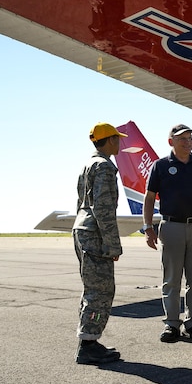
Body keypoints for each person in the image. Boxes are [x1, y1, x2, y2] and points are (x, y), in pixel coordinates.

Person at [142, 124, 192, 343]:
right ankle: (171, 324)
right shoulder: (160, 166)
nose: (188, 142)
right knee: (171, 280)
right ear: (171, 142)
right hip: (171, 227)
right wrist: (148, 227)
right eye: (182, 139)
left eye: (190, 138)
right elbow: (149, 198)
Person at [73, 122, 128, 365]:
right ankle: (88, 345)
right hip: (95, 233)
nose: (119, 142)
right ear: (109, 141)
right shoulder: (104, 167)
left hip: (82, 229)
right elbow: (103, 208)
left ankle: (89, 339)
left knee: (91, 288)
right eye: (117, 138)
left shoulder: (88, 164)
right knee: (101, 290)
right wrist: (113, 244)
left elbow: (80, 202)